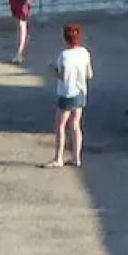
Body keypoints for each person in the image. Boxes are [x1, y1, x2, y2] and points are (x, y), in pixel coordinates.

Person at [46, 23, 92, 168]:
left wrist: (53, 70)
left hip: (67, 94)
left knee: (60, 125)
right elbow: (89, 74)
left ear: (65, 38)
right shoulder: (84, 52)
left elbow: (63, 77)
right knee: (76, 125)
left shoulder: (64, 55)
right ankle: (76, 158)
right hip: (81, 93)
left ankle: (58, 158)